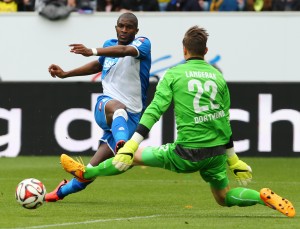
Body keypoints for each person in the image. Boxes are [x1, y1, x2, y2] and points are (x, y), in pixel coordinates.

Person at [59, 25, 296, 218]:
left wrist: (130, 145)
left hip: (186, 152)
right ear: (205, 50)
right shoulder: (218, 77)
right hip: (215, 153)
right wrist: (233, 159)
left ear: (184, 51)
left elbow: (154, 111)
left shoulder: (174, 74)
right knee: (224, 197)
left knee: (133, 157)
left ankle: (86, 173)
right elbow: (225, 120)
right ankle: (261, 196)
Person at [45, 12, 152, 202]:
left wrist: (92, 50)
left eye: (129, 27)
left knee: (90, 171)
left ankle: (56, 194)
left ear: (136, 30)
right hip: (107, 105)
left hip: (132, 118)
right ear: (116, 27)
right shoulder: (109, 44)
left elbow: (123, 51)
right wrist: (66, 74)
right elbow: (98, 65)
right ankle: (121, 143)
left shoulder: (142, 44)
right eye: (121, 26)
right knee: (119, 108)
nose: (124, 30)